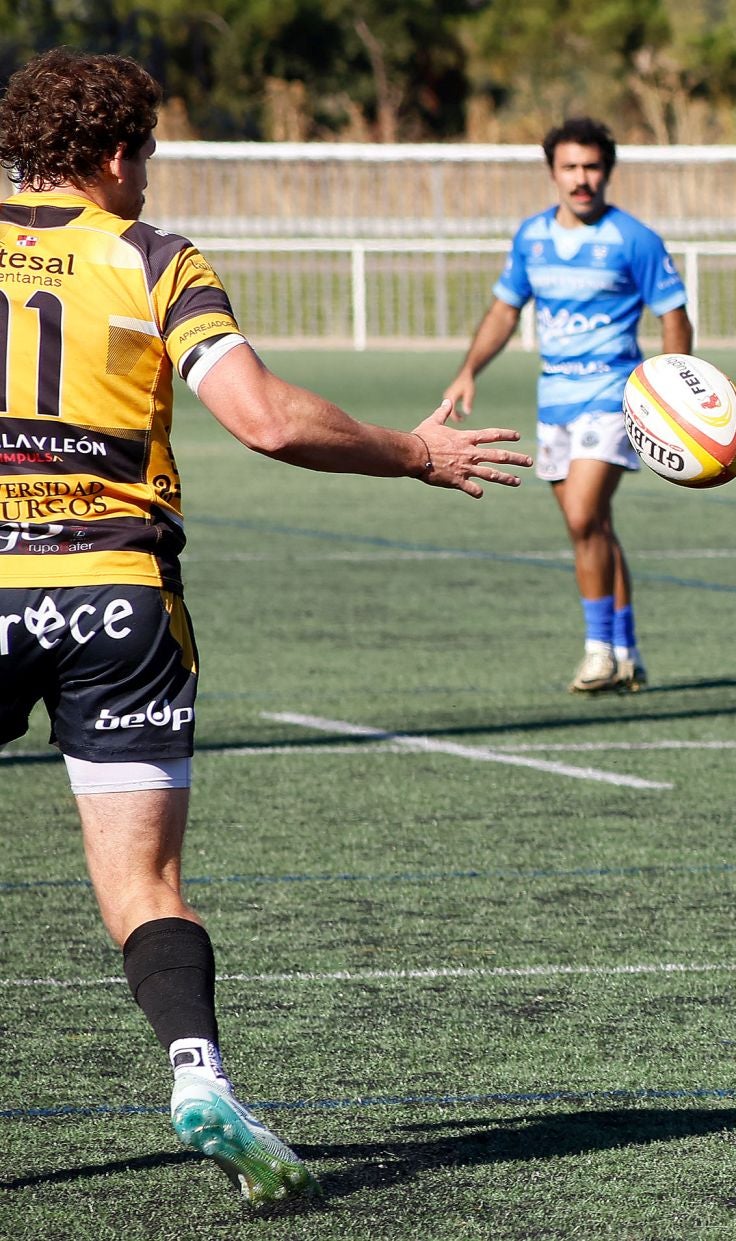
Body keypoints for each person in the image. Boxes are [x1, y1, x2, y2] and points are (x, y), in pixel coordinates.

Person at [0, 50, 530, 1205]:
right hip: (117, 598)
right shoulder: (154, 259)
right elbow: (265, 419)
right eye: (144, 152)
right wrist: (417, 449)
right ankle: (198, 1073)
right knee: (144, 880)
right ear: (115, 152)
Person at [443, 116, 692, 695]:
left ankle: (598, 651)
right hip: (555, 399)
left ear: (608, 171)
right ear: (552, 171)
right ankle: (628, 652)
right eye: (570, 167)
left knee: (583, 516)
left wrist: (672, 389)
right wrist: (468, 370)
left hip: (615, 397)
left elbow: (673, 315)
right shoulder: (531, 238)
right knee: (593, 527)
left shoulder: (634, 239)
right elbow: (506, 310)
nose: (582, 179)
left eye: (592, 167)